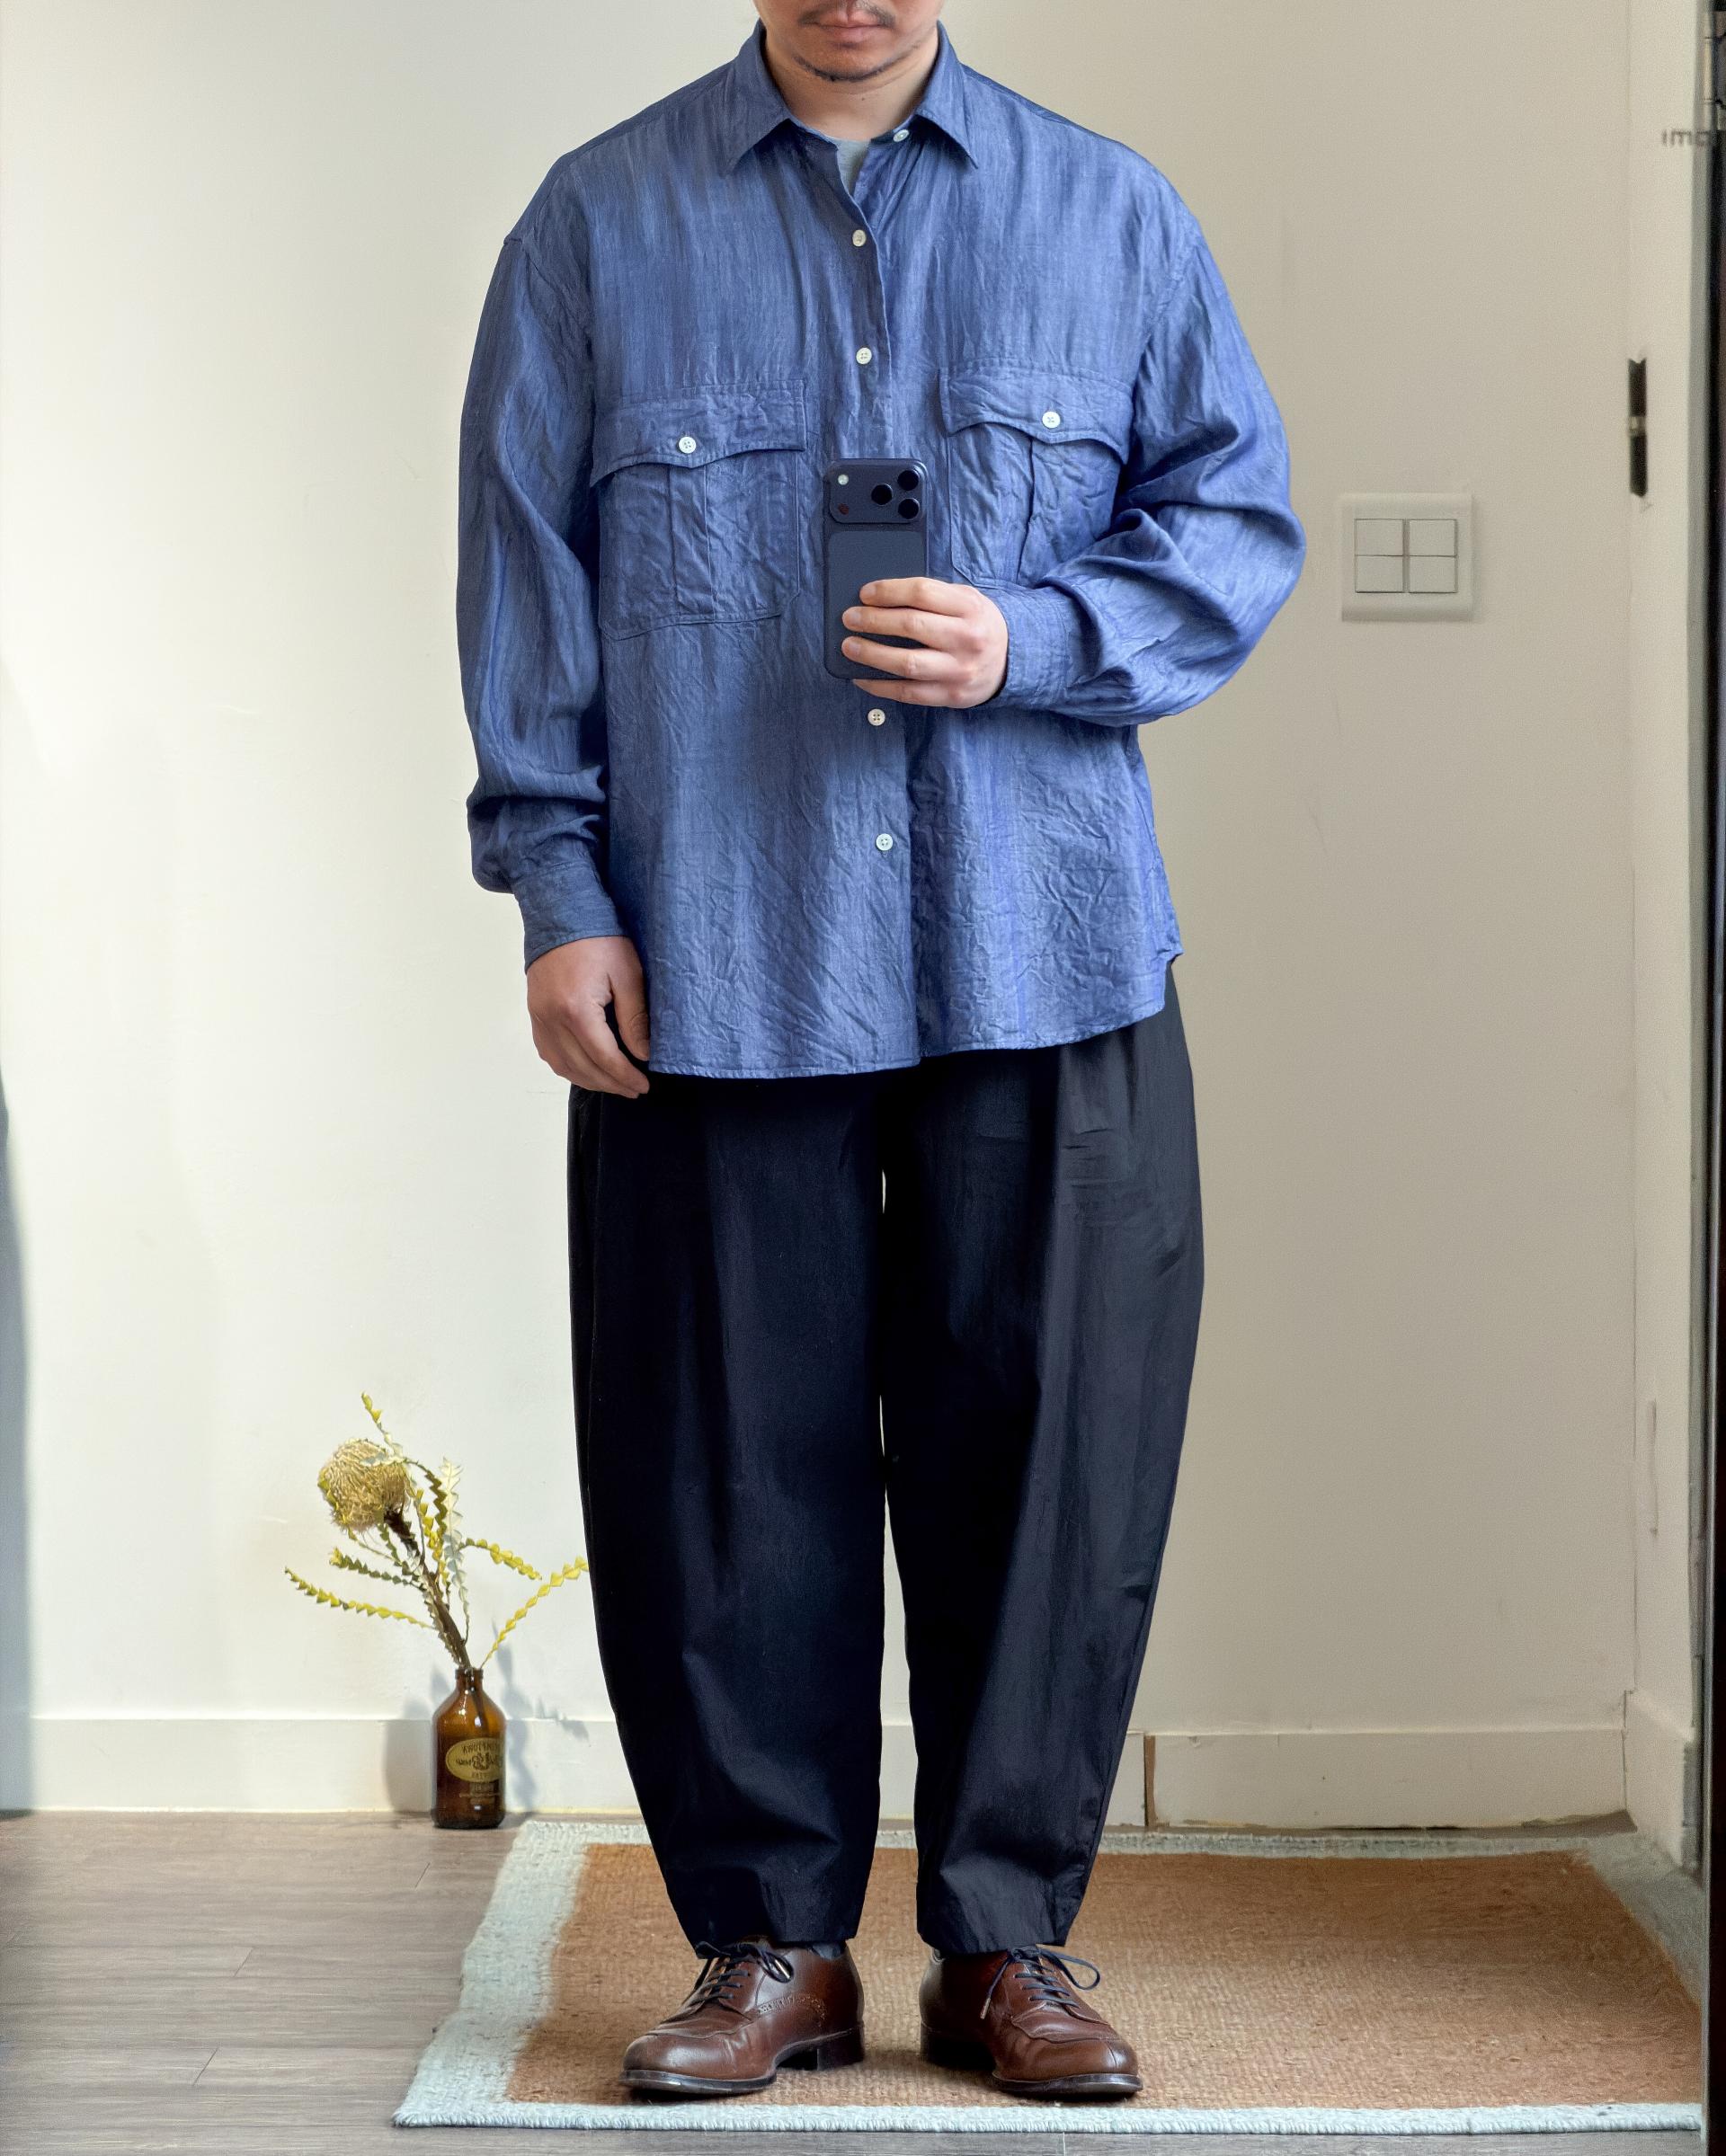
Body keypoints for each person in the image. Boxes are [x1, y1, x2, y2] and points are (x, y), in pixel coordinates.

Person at [456, 0, 1304, 2105]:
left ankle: (1010, 1945)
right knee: (724, 1468)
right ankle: (774, 1947)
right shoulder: (596, 223)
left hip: (1046, 947)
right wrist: (560, 890)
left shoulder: (1112, 215)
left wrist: (1040, 638)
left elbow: (1235, 521)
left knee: (1051, 1457)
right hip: (719, 954)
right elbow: (522, 574)